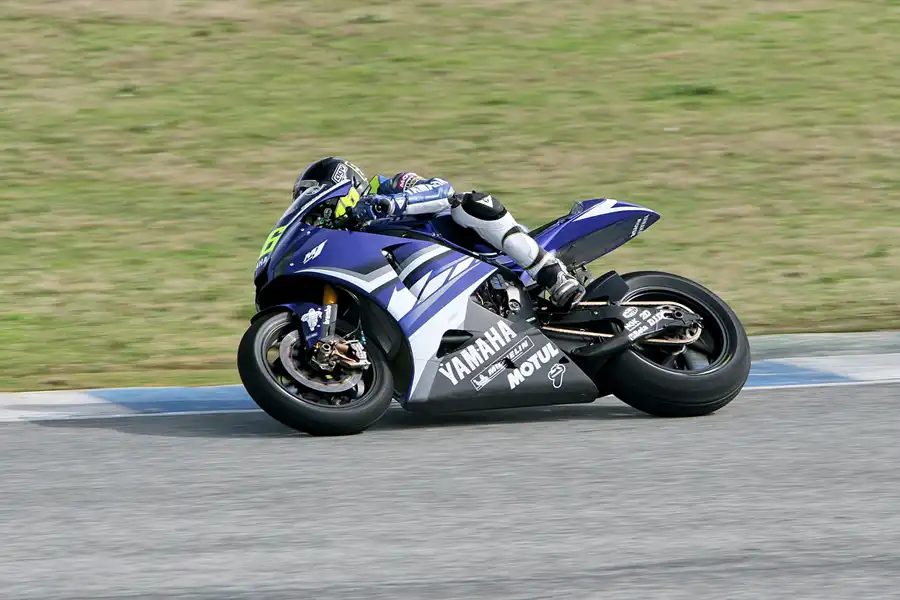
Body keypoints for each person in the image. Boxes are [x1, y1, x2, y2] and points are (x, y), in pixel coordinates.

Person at [292, 157, 586, 308]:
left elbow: (441, 189)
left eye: (323, 206)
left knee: (468, 203)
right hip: (437, 287)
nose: (322, 218)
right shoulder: (351, 241)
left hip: (482, 252)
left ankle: (551, 273)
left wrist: (387, 204)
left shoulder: (388, 187)